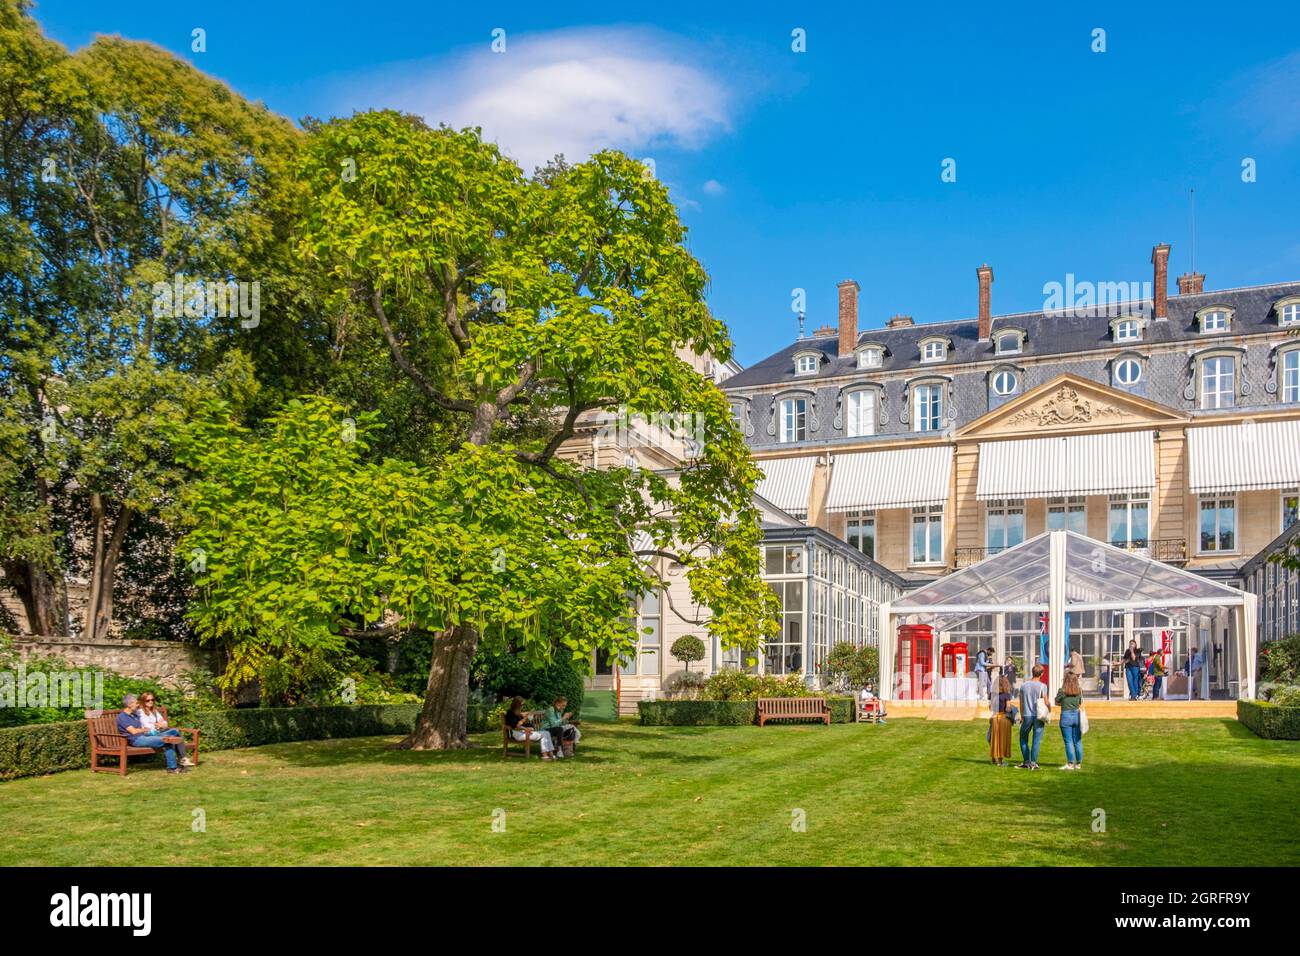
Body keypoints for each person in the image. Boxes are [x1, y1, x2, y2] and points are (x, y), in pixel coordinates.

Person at [115, 693, 188, 773]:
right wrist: (144, 729)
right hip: (137, 740)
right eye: (136, 703)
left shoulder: (134, 714)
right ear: (129, 704)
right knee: (167, 741)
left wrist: (156, 726)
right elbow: (133, 731)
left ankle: (174, 766)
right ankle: (173, 767)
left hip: (145, 736)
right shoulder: (122, 717)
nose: (138, 705)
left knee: (172, 736)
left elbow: (148, 718)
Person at [136, 692, 193, 768]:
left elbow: (164, 723)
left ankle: (182, 758)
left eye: (152, 700)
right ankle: (181, 759)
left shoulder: (154, 711)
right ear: (143, 701)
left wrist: (162, 724)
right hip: (148, 736)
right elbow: (146, 727)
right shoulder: (140, 712)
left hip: (158, 733)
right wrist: (157, 725)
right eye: (148, 700)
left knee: (175, 731)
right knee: (170, 739)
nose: (151, 702)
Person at [1016, 664, 1050, 770]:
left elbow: (1021, 702)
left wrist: (1021, 715)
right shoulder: (1043, 686)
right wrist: (1049, 710)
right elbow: (1046, 702)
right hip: (1038, 716)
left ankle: (1026, 761)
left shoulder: (1024, 685)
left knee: (1023, 739)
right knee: (1036, 739)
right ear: (1041, 674)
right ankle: (1034, 763)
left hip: (1026, 715)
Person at [1055, 672, 1084, 770]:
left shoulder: (1062, 690)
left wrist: (1063, 703)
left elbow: (1056, 702)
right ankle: (1078, 764)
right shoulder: (1079, 690)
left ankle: (1070, 764)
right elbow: (1080, 702)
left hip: (1066, 715)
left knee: (1068, 741)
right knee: (1078, 741)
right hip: (1076, 715)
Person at [988, 676, 1014, 765]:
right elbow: (1008, 708)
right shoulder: (1007, 695)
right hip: (1003, 718)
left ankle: (993, 759)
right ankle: (1000, 761)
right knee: (1002, 739)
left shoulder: (992, 694)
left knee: (994, 738)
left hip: (994, 717)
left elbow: (990, 708)